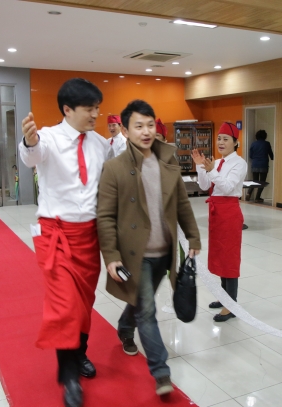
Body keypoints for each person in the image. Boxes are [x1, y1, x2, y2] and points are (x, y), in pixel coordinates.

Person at [97, 100, 201, 396]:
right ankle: (160, 371)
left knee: (140, 302)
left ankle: (124, 327)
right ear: (125, 131)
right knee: (147, 310)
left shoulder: (167, 161)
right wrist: (111, 256)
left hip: (164, 253)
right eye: (138, 126)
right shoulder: (114, 168)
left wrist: (193, 237)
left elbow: (181, 203)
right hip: (135, 255)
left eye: (150, 125)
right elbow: (105, 216)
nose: (146, 132)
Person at [19, 78, 112, 407]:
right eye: (89, 109)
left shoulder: (100, 144)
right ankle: (69, 376)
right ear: (67, 109)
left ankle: (79, 353)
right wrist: (29, 141)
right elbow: (32, 155)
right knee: (64, 305)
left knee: (84, 303)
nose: (95, 115)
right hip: (56, 234)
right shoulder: (48, 138)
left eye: (97, 108)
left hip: (89, 235)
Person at [191, 122, 247, 322]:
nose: (221, 142)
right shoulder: (217, 162)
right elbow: (205, 185)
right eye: (219, 139)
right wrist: (201, 167)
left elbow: (228, 187)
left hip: (229, 213)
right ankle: (224, 298)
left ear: (235, 142)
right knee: (220, 256)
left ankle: (231, 305)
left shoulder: (239, 163)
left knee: (229, 258)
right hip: (217, 213)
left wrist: (212, 170)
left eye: (225, 139)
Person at [246, 129, 273, 202]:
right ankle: (257, 197)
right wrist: (272, 157)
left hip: (255, 164)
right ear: (265, 136)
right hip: (264, 165)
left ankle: (249, 193)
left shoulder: (253, 144)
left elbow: (251, 155)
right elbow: (271, 155)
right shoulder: (267, 144)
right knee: (262, 182)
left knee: (255, 180)